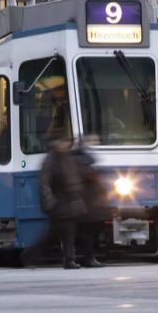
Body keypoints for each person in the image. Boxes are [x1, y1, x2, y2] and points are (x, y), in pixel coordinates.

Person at [22, 105, 85, 270]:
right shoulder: (52, 159)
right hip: (60, 204)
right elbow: (45, 180)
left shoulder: (65, 157)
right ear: (57, 143)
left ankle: (67, 259)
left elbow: (73, 178)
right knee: (53, 236)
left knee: (65, 234)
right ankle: (33, 255)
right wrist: (50, 201)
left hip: (68, 204)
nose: (66, 144)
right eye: (64, 142)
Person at [72, 137, 108, 268]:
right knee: (89, 234)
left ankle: (83, 257)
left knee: (84, 234)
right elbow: (92, 179)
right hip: (88, 205)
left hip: (85, 204)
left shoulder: (77, 162)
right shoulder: (83, 163)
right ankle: (88, 258)